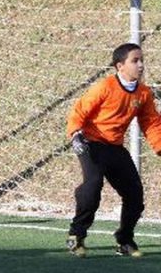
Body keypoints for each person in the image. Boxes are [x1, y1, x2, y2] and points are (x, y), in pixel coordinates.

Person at [66, 43, 161, 258]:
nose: (141, 64)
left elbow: (152, 123)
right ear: (120, 66)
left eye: (141, 60)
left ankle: (124, 240)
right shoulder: (105, 87)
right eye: (135, 61)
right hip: (90, 143)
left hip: (115, 148)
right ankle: (76, 236)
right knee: (92, 187)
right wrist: (75, 133)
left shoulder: (144, 93)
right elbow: (80, 110)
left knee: (135, 195)